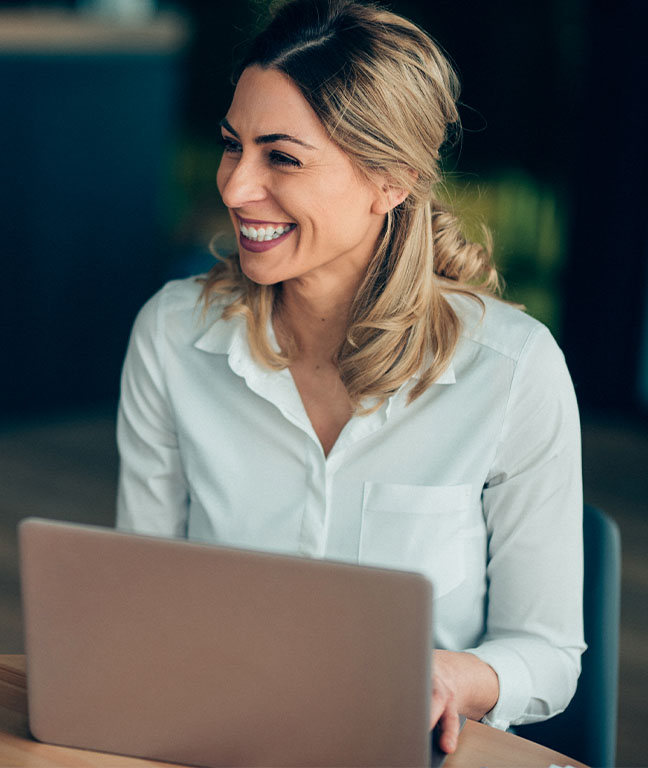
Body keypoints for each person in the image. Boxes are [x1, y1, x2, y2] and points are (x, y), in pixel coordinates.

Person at [116, 0, 584, 755]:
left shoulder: (513, 370)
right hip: (212, 741)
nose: (235, 188)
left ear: (391, 180)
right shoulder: (173, 336)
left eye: (283, 157)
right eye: (232, 146)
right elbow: (139, 596)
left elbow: (548, 653)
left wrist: (454, 678)